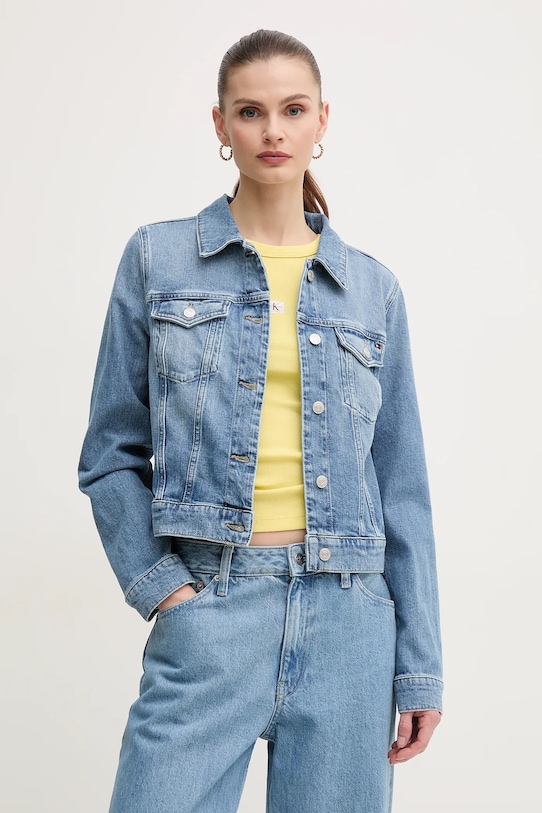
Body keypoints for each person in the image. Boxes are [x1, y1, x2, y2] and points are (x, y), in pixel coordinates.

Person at [79, 29, 442, 813]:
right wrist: (168, 592)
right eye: (250, 111)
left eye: (293, 109)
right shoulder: (158, 259)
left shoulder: (372, 289)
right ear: (221, 125)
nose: (273, 130)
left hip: (351, 622)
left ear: (322, 120)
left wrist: (420, 666)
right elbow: (109, 453)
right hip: (213, 609)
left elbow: (402, 488)